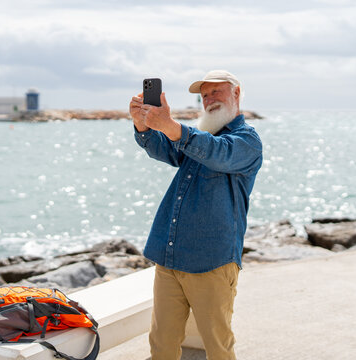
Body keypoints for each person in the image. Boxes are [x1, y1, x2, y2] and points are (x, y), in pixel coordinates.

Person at [129, 70, 263, 360]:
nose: (209, 100)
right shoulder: (201, 136)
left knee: (218, 347)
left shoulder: (247, 141)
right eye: (204, 96)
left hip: (212, 262)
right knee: (161, 345)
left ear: (236, 93)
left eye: (216, 92)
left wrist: (172, 126)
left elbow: (217, 152)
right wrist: (144, 127)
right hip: (170, 257)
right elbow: (166, 149)